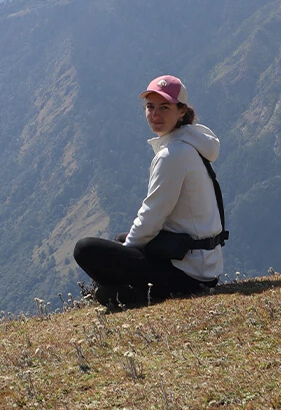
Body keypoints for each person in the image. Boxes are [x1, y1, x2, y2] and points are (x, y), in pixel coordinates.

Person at [73, 75, 225, 307]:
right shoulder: (191, 144)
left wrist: (123, 256)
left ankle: (133, 294)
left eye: (164, 107)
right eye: (150, 107)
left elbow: (153, 213)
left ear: (181, 111)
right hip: (201, 264)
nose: (155, 115)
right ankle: (124, 292)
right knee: (119, 241)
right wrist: (124, 252)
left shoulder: (173, 154)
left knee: (85, 249)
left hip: (188, 274)